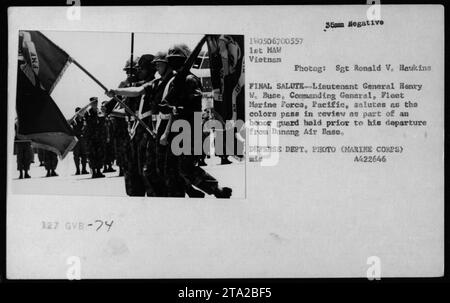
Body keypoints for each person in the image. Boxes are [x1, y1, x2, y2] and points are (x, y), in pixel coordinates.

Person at [162, 44, 232, 198]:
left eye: (177, 60)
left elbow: (194, 105)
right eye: (171, 60)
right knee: (172, 168)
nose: (173, 63)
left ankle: (216, 189)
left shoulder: (189, 79)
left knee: (185, 167)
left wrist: (174, 106)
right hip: (176, 127)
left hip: (188, 126)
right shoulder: (174, 80)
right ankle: (190, 192)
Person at [105, 54, 157, 195]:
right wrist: (111, 111)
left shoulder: (150, 85)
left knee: (148, 176)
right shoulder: (128, 88)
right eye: (127, 72)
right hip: (132, 137)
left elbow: (140, 100)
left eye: (133, 71)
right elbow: (128, 113)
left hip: (146, 134)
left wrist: (120, 89)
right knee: (132, 178)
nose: (130, 74)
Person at [84, 97, 106, 178]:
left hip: (99, 137)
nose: (95, 103)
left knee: (100, 154)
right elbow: (87, 123)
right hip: (90, 137)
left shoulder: (100, 111)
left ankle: (99, 171)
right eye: (93, 102)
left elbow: (103, 122)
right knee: (91, 155)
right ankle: (93, 171)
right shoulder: (87, 113)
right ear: (90, 103)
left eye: (96, 102)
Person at [70, 107, 89, 175]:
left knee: (84, 155)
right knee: (76, 155)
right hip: (76, 140)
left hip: (83, 140)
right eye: (79, 112)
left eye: (82, 112)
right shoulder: (73, 121)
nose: (81, 113)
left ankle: (84, 169)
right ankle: (77, 170)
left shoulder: (85, 120)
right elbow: (72, 130)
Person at [100, 101, 116, 173]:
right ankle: (105, 167)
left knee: (110, 152)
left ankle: (110, 166)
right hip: (103, 138)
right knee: (104, 153)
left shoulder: (110, 116)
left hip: (110, 137)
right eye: (102, 107)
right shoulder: (100, 117)